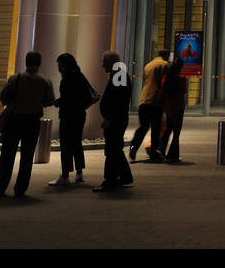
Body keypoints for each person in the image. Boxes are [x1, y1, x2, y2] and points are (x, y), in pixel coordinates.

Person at [0, 51, 56, 199]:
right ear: (39, 63)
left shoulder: (16, 78)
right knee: (27, 157)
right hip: (32, 121)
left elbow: (3, 97)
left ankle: (0, 188)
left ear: (26, 61)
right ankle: (20, 189)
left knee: (7, 155)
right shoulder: (45, 81)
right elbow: (49, 101)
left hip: (14, 119)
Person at [49, 53, 96, 187]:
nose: (59, 68)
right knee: (76, 143)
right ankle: (79, 173)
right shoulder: (80, 76)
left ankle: (65, 175)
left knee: (66, 145)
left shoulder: (68, 79)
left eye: (60, 65)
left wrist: (59, 102)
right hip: (80, 114)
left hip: (68, 115)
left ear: (65, 65)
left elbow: (68, 98)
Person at [93, 50, 133, 193]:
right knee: (115, 149)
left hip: (116, 120)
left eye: (104, 62)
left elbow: (118, 100)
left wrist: (109, 118)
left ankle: (109, 180)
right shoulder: (119, 74)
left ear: (111, 62)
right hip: (117, 118)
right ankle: (125, 176)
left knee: (111, 150)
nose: (102, 65)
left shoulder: (119, 75)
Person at [129, 49, 170, 163]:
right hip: (156, 101)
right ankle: (153, 153)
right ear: (166, 56)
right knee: (155, 129)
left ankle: (133, 149)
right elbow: (165, 83)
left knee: (143, 127)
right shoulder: (165, 65)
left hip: (144, 100)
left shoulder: (148, 65)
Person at [156, 57, 186, 163]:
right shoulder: (181, 78)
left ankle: (161, 149)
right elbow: (183, 91)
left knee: (168, 129)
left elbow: (162, 93)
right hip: (179, 107)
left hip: (169, 107)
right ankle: (173, 154)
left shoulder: (166, 78)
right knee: (176, 132)